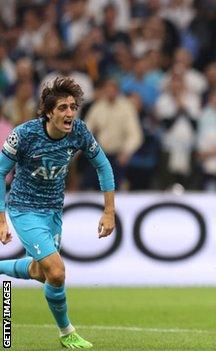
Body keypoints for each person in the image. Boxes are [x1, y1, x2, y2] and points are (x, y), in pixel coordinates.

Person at [0, 77, 115, 349]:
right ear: (49, 112)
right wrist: (1, 216)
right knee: (58, 271)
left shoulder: (79, 133)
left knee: (42, 272)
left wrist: (109, 211)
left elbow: (104, 166)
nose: (70, 113)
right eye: (63, 107)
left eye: (73, 107)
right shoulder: (25, 134)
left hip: (53, 210)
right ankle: (67, 332)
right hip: (24, 208)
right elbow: (0, 171)